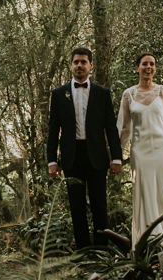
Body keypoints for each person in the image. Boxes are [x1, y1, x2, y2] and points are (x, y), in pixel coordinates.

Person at [47, 48, 123, 249]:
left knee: (100, 205)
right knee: (76, 207)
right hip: (71, 157)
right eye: (76, 62)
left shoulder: (103, 93)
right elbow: (53, 129)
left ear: (91, 65)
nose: (79, 65)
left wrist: (116, 158)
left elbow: (111, 127)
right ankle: (83, 250)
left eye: (83, 62)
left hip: (96, 156)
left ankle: (101, 251)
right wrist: (52, 161)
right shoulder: (58, 94)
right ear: (71, 65)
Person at [118, 53, 163, 246]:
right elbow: (125, 128)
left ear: (155, 68)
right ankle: (145, 244)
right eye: (144, 63)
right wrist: (117, 155)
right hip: (140, 152)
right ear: (137, 68)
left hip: (162, 150)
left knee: (162, 194)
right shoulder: (128, 95)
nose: (148, 67)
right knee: (144, 194)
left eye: (152, 64)